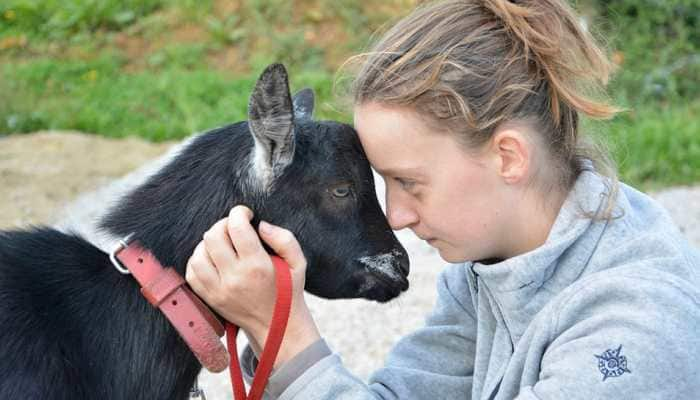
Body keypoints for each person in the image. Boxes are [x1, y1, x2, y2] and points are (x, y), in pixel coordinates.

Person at [184, 0, 700, 398]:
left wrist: (291, 338)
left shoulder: (637, 331)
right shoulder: (492, 267)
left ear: (509, 158)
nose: (397, 216)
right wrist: (270, 329)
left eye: (410, 182)